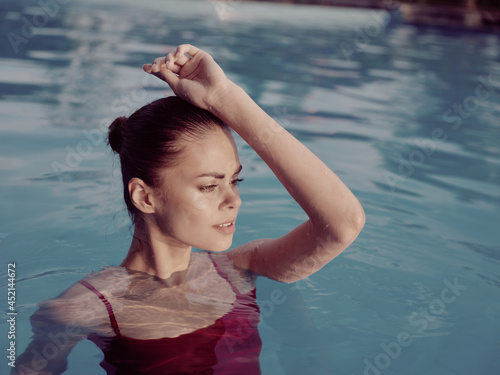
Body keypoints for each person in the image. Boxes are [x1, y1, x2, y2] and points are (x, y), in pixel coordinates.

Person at [13, 44, 365, 374]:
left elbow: (342, 223)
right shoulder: (84, 309)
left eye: (234, 181)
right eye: (210, 186)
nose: (234, 200)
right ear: (145, 197)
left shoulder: (242, 269)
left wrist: (227, 99)